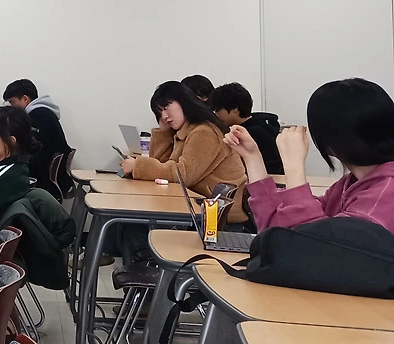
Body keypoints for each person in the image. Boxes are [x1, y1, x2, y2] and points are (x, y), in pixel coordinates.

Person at [228, 78, 394, 235]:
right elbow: (278, 230)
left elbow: (311, 244)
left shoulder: (385, 195)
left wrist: (294, 167)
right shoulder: (349, 185)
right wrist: (252, 157)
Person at [121, 81, 249, 223]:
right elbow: (161, 164)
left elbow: (182, 175)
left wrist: (138, 166)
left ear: (183, 101)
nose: (164, 116)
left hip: (220, 217)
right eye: (159, 112)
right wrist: (163, 132)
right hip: (199, 207)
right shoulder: (187, 131)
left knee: (130, 224)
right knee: (130, 222)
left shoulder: (204, 132)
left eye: (166, 107)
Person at [3, 79, 72, 198]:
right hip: (45, 174)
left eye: (12, 102)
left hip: (42, 180)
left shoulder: (38, 115)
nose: (11, 106)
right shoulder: (43, 112)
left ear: (25, 99)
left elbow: (32, 151)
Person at [210, 82, 284, 174]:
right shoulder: (263, 123)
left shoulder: (249, 133)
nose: (216, 115)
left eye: (217, 110)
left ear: (235, 109)